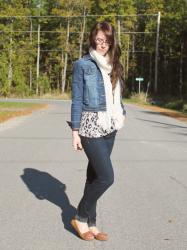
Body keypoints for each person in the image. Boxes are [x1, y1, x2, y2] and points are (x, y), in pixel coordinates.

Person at [68, 21, 126, 241]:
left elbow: (117, 94)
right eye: (99, 40)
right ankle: (80, 217)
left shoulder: (114, 64)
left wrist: (123, 112)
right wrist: (75, 130)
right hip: (90, 125)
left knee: (93, 176)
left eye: (107, 41)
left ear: (112, 42)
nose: (102, 44)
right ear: (93, 39)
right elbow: (77, 100)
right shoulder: (83, 64)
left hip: (110, 126)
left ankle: (92, 223)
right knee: (106, 177)